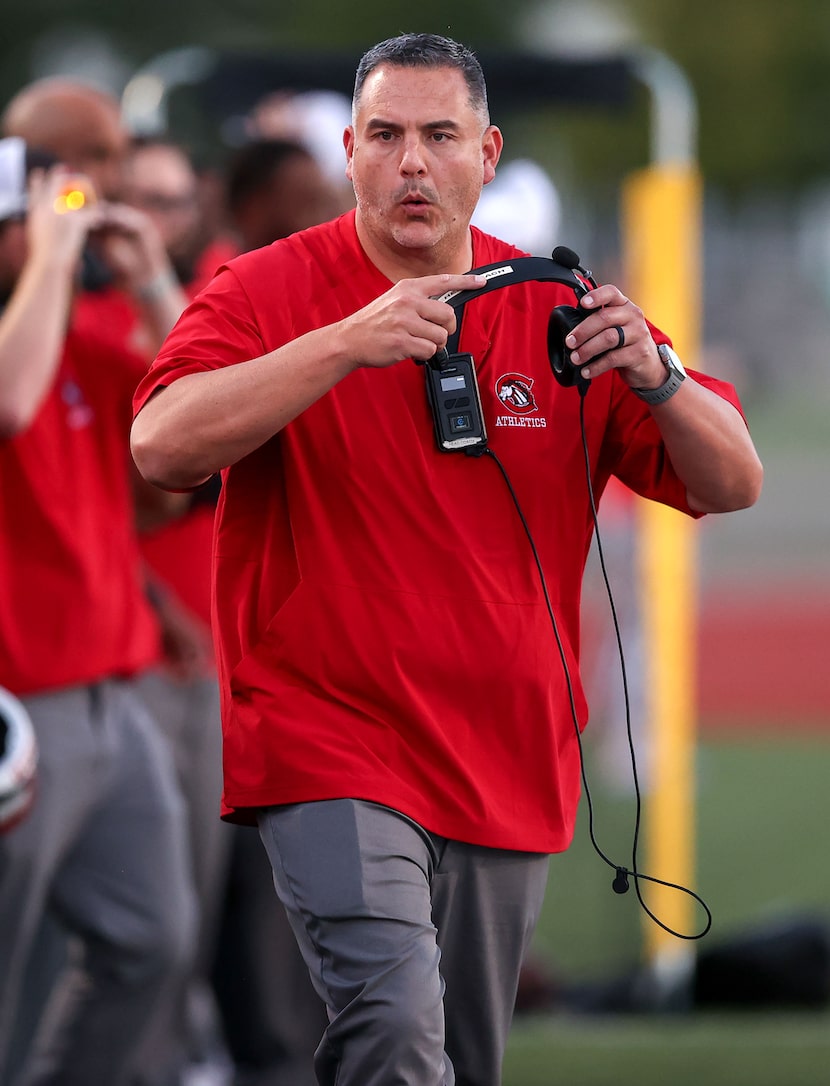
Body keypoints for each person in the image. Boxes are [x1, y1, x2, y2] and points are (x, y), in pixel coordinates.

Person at [130, 32, 763, 1086]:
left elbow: (730, 480)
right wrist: (343, 341)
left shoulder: (557, 305)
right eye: (384, 136)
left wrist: (658, 376)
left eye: (438, 136)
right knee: (392, 1036)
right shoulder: (262, 289)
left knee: (460, 1062)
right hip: (327, 742)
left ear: (486, 153)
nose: (411, 162)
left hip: (502, 755)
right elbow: (161, 441)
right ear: (348, 151)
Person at [0, 139, 196, 1085]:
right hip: (19, 704)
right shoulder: (31, 337)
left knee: (154, 942)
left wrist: (154, 279)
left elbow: (198, 406)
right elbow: (9, 397)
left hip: (112, 699)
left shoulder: (76, 334)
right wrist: (45, 256)